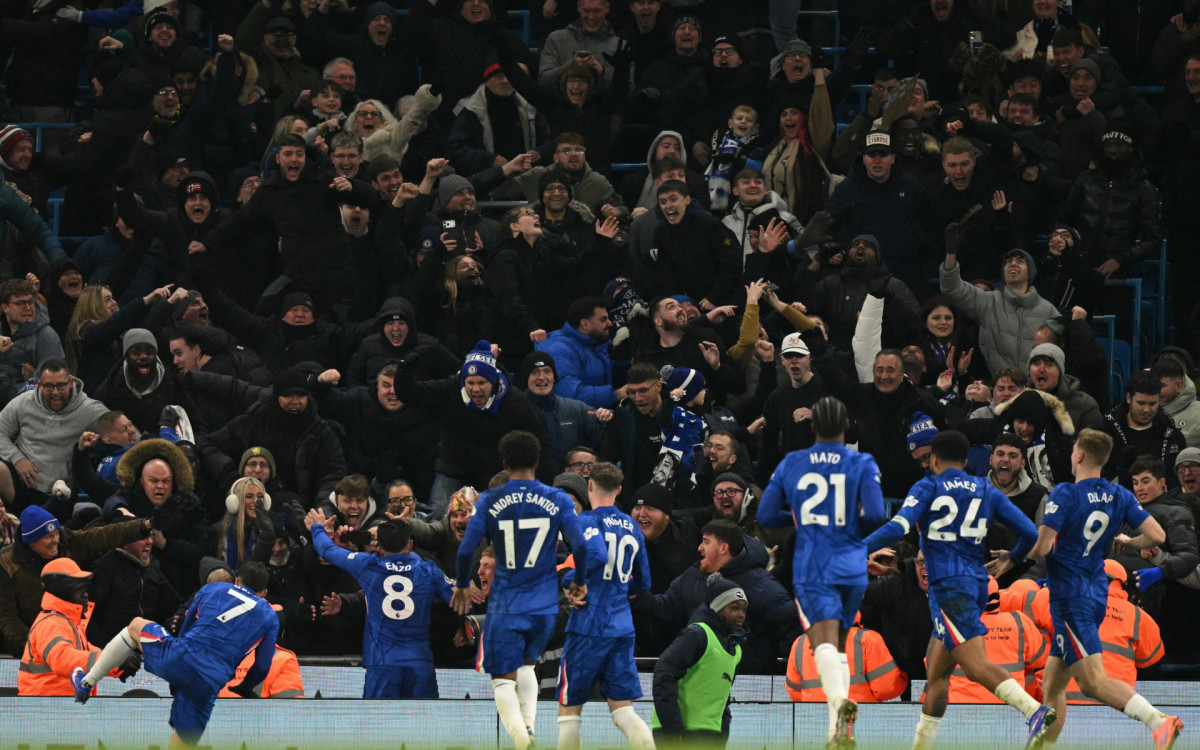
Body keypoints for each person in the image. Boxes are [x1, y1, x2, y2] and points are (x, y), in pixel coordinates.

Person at [864, 431, 1049, 750]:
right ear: (966, 462)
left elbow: (898, 527)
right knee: (936, 676)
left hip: (949, 589)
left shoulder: (928, 487)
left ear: (934, 459)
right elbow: (1030, 534)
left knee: (975, 665)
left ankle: (1035, 711)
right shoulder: (985, 490)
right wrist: (1013, 557)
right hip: (974, 584)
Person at [1029, 429, 1182, 749]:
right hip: (1094, 593)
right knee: (1052, 686)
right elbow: (1157, 535)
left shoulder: (1065, 493)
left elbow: (1042, 546)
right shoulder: (1119, 495)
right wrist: (1130, 541)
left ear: (1079, 455)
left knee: (1091, 682)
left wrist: (1018, 551)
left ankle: (1159, 721)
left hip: (1071, 596)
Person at [757, 396, 886, 747]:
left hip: (814, 562)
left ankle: (840, 703)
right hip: (852, 563)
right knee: (840, 646)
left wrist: (803, 517)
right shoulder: (862, 461)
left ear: (812, 427)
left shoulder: (793, 462)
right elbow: (876, 515)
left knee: (821, 643)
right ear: (846, 425)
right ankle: (835, 732)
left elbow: (765, 515)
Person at [451, 430, 591, 750]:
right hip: (543, 603)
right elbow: (580, 545)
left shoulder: (489, 500)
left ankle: (520, 736)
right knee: (527, 666)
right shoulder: (557, 499)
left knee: (502, 679)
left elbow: (465, 550)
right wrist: (580, 580)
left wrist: (460, 584)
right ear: (537, 462)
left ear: (504, 463)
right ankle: (528, 727)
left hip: (506, 603)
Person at [74, 562, 280, 748]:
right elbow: (262, 666)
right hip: (209, 684)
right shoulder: (270, 616)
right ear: (264, 593)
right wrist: (244, 688)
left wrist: (177, 669)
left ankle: (87, 682)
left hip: (182, 658)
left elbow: (186, 628)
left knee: (136, 625)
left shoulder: (213, 588)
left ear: (236, 580)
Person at [555, 461, 654, 750]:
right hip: (622, 627)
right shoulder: (632, 526)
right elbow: (644, 582)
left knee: (569, 706)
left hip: (589, 624)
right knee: (623, 709)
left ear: (589, 486)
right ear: (619, 489)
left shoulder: (587, 520)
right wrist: (618, 591)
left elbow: (597, 555)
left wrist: (574, 581)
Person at [306, 511, 453, 698]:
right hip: (419, 662)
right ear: (410, 545)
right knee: (423, 717)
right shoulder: (429, 571)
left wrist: (318, 528)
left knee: (379, 717)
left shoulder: (368, 565)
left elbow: (327, 550)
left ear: (380, 549)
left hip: (382, 662)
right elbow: (462, 603)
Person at [18, 558, 142, 696]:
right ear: (62, 591)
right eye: (78, 589)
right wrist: (114, 661)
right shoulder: (51, 624)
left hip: (57, 704)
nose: (85, 595)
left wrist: (116, 663)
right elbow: (63, 659)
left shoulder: (68, 624)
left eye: (85, 589)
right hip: (45, 705)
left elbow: (90, 654)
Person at [650, 574, 747, 747]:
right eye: (734, 608)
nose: (741, 615)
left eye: (743, 609)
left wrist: (722, 731)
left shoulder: (736, 649)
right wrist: (672, 730)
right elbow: (663, 675)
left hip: (710, 734)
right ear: (718, 608)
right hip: (681, 733)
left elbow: (722, 695)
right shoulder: (697, 635)